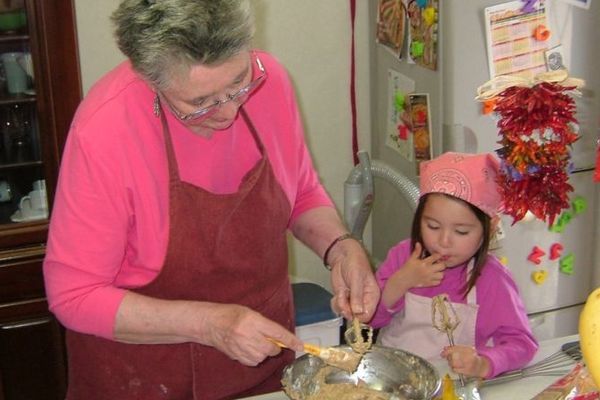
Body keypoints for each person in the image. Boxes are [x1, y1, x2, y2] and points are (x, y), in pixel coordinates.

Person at [42, 1, 380, 399]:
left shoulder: (270, 82)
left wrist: (341, 247)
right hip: (143, 378)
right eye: (200, 103)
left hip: (260, 368)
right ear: (151, 79)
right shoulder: (105, 129)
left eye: (239, 80)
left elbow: (302, 190)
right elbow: (74, 295)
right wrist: (210, 324)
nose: (230, 110)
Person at [370, 152, 538, 379]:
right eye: (432, 226)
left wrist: (483, 363)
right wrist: (401, 282)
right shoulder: (403, 256)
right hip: (391, 379)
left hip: (452, 387)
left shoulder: (492, 279)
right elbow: (369, 320)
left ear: (489, 228)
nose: (444, 241)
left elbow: (522, 344)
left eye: (461, 231)